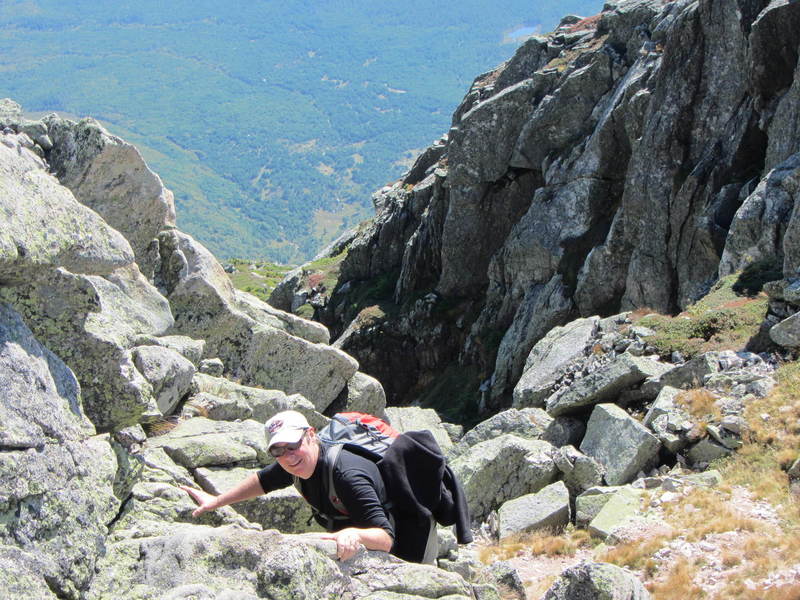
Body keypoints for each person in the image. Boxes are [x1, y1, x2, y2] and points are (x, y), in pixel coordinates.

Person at [180, 410, 396, 562]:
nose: (288, 457)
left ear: (311, 435)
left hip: (403, 541)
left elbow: (385, 539)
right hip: (347, 540)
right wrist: (216, 501)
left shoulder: (347, 475)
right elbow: (262, 481)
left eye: (292, 445)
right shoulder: (294, 461)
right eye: (277, 450)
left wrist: (355, 535)